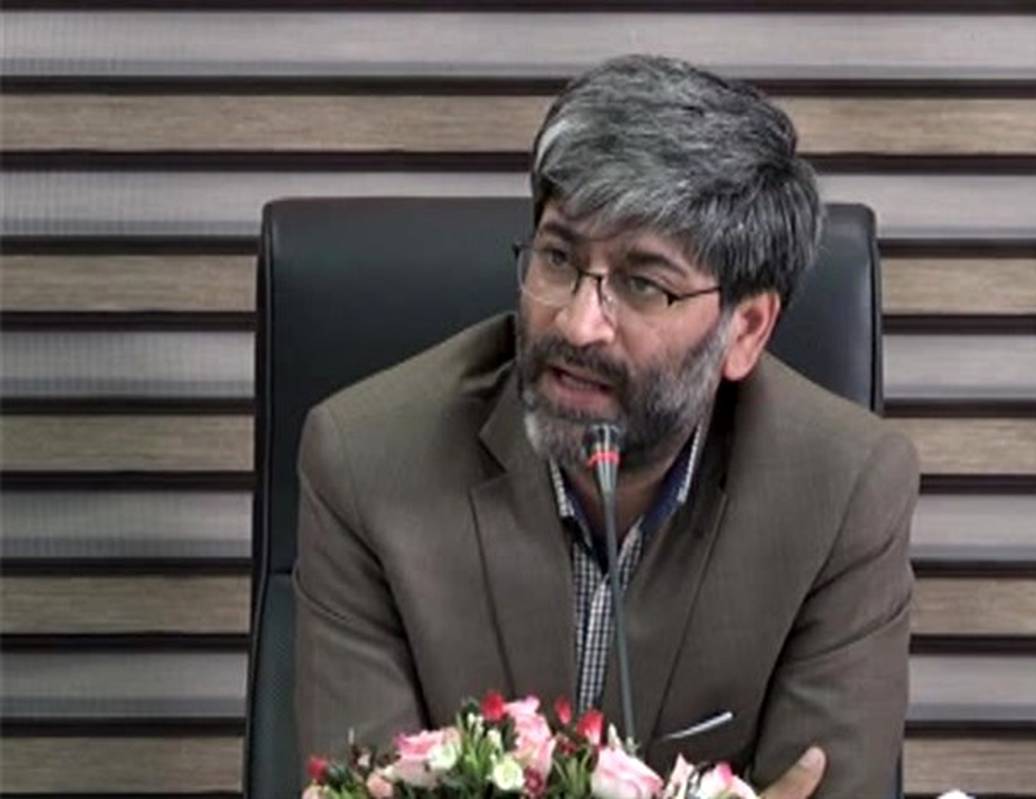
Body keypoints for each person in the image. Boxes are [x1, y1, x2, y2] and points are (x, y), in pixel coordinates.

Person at [294, 54, 918, 798]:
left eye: (643, 283)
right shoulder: (367, 462)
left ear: (745, 328)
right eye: (559, 258)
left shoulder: (842, 493)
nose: (578, 323)